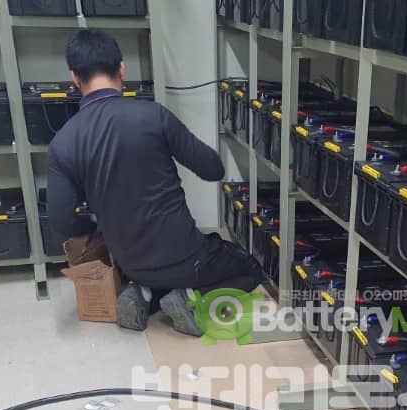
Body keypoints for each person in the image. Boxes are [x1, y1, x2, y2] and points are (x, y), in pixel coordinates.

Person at [48, 29, 264, 332]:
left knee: (160, 270)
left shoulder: (63, 142)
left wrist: (96, 228)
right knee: (250, 269)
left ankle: (145, 293)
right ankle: (190, 298)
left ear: (74, 77)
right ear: (122, 68)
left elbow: (60, 220)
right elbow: (212, 169)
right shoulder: (153, 116)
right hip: (186, 256)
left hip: (129, 263)